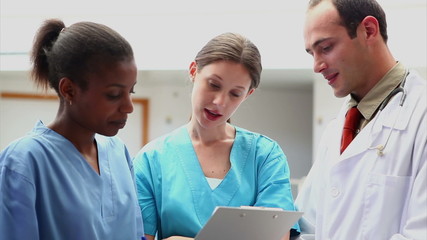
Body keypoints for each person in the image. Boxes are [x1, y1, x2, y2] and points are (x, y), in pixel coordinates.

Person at [133, 32, 300, 240]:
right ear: (194, 71)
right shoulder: (151, 159)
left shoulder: (265, 156)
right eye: (213, 85)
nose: (220, 102)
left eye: (235, 93)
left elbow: (277, 237)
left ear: (247, 94)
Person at [0, 19, 145, 240]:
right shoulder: (24, 161)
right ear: (69, 90)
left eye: (131, 92)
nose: (128, 107)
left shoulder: (119, 153)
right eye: (114, 95)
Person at [295, 0, 426, 239]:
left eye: (325, 48)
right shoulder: (337, 129)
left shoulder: (421, 116)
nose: (316, 66)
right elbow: (308, 227)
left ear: (368, 31)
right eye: (311, 53)